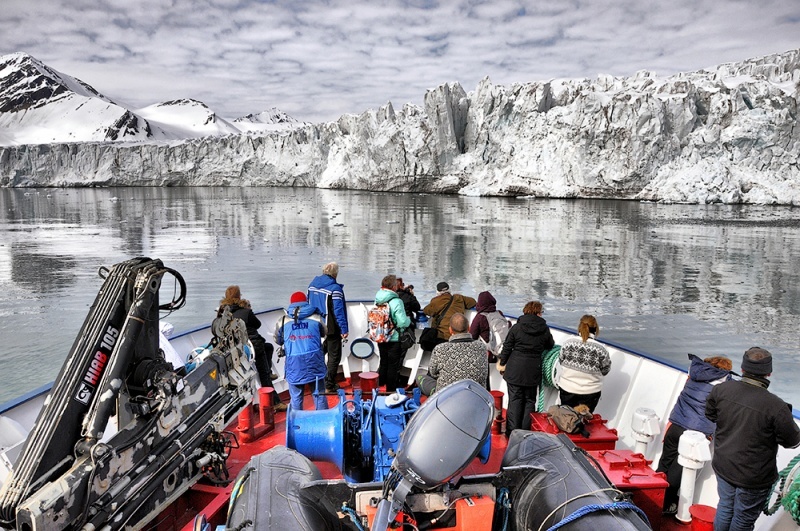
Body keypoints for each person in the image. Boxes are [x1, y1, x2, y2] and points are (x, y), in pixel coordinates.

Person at [705, 347, 800, 531]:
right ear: (769, 373)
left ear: (742, 369)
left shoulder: (721, 390)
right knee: (742, 520)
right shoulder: (777, 407)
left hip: (724, 465)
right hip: (753, 477)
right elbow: (792, 442)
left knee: (725, 508)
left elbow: (710, 414)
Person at [655, 354, 732, 515]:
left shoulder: (694, 373)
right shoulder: (724, 382)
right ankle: (665, 504)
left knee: (664, 464)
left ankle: (651, 496)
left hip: (674, 425)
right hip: (695, 434)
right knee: (677, 471)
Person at [218, 285, 285, 411]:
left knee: (268, 347)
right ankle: (275, 402)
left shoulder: (223, 315)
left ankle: (250, 403)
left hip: (237, 350)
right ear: (239, 296)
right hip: (254, 346)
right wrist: (248, 311)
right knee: (264, 374)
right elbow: (258, 324)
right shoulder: (245, 312)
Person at [497, 301, 555, 436]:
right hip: (532, 370)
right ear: (538, 313)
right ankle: (525, 433)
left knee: (515, 401)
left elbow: (507, 347)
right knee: (530, 401)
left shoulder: (517, 328)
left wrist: (502, 363)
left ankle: (511, 433)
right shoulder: (544, 329)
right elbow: (550, 345)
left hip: (515, 370)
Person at [273, 292, 328, 410]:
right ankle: (323, 419)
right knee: (319, 394)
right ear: (306, 301)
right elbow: (324, 333)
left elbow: (278, 340)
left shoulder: (282, 321)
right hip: (315, 360)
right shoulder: (317, 318)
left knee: (296, 397)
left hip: (294, 363)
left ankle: (297, 423)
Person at [417, 313, 488, 396]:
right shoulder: (481, 346)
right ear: (468, 328)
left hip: (446, 395)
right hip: (475, 394)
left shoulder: (440, 349)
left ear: (450, 330)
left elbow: (433, 373)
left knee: (420, 378)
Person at [555, 315, 611, 413]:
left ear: (580, 326)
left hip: (567, 390)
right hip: (590, 393)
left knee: (567, 419)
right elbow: (605, 370)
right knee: (584, 419)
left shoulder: (568, 343)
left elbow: (561, 361)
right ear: (596, 328)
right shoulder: (601, 349)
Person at [307, 262, 349, 392]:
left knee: (319, 351)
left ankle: (314, 377)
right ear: (335, 273)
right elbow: (338, 310)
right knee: (334, 355)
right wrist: (344, 329)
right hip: (331, 327)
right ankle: (329, 384)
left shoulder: (312, 285)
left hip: (315, 324)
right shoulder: (335, 289)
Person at [374, 274, 412, 392]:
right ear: (394, 287)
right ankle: (390, 390)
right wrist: (409, 320)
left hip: (380, 335)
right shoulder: (396, 301)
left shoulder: (378, 298)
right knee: (393, 365)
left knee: (383, 361)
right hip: (393, 337)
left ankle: (380, 385)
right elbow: (401, 322)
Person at [422, 282, 476, 347]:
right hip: (459, 336)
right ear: (449, 290)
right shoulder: (459, 298)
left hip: (442, 337)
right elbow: (473, 302)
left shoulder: (435, 301)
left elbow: (426, 311)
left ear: (438, 292)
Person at [468, 290, 509, 363]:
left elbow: (472, 336)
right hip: (502, 349)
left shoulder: (480, 317)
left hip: (488, 352)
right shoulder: (499, 313)